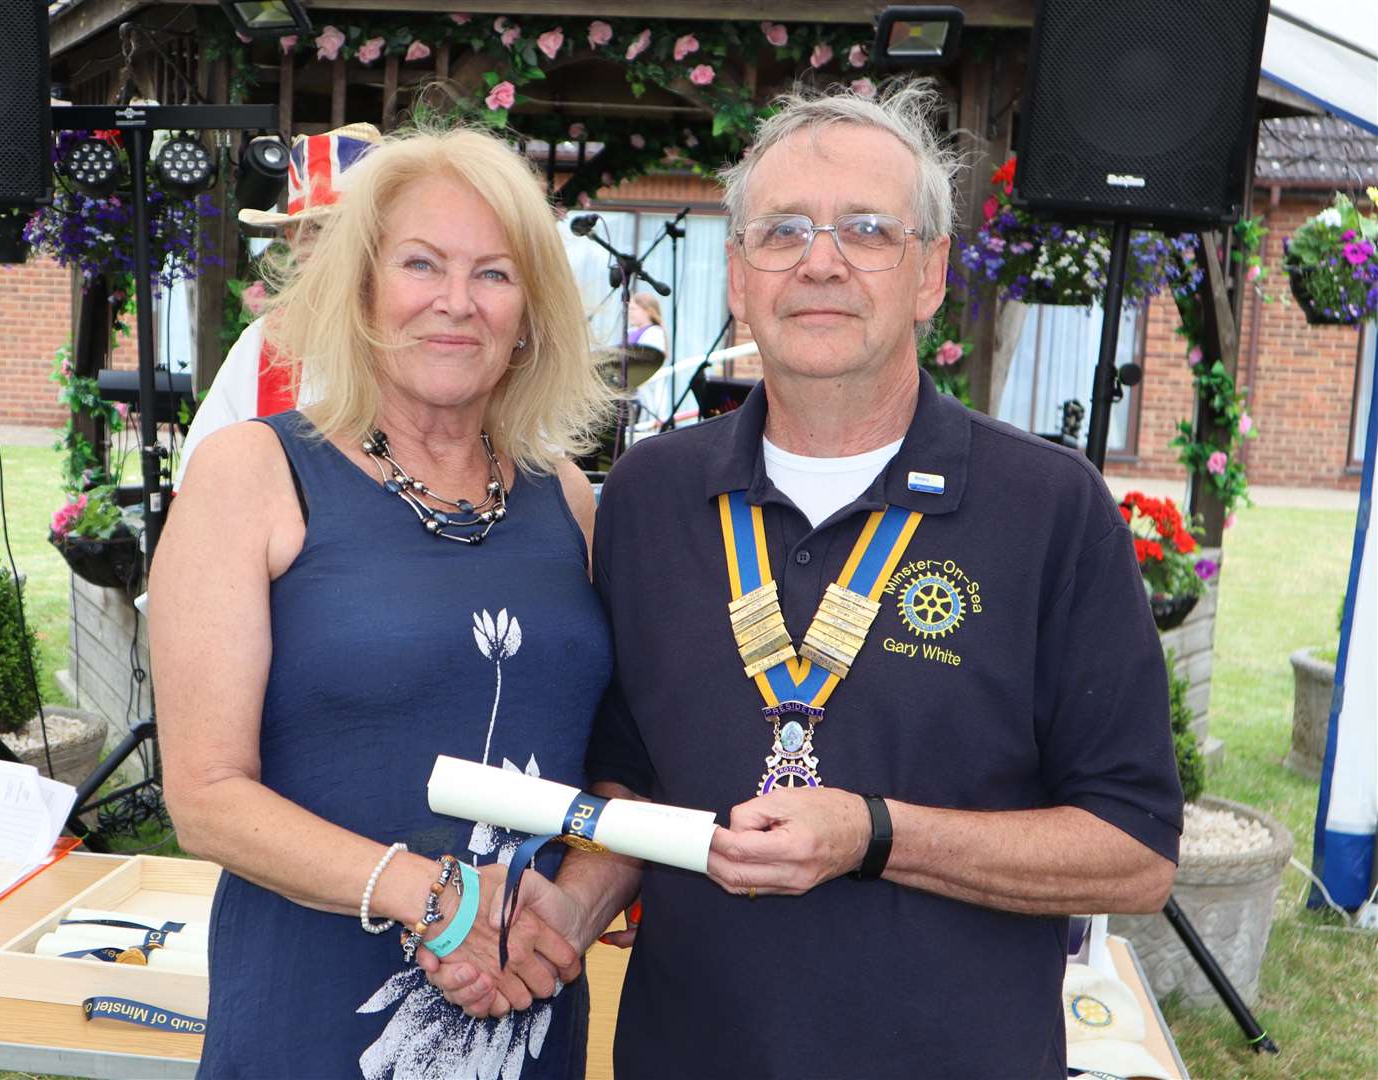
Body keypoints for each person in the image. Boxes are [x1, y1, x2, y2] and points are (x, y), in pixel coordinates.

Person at [428, 81, 1184, 1078]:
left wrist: (875, 834)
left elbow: (1133, 853)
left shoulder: (1051, 508)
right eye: (783, 231)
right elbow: (630, 779)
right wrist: (572, 904)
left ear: (928, 275)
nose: (820, 262)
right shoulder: (653, 495)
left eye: (867, 229)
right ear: (740, 276)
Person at [149, 125, 616, 1079]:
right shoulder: (255, 473)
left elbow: (622, 763)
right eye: (421, 264)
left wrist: (574, 905)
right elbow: (203, 798)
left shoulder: (569, 496)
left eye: (494, 273)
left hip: (522, 1011)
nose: (456, 302)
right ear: (360, 288)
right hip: (311, 1015)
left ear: (530, 311)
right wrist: (431, 896)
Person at [174, 122, 381, 489]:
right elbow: (202, 478)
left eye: (348, 228)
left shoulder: (422, 337)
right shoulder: (265, 344)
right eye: (315, 229)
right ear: (293, 241)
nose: (334, 248)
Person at [623, 291, 667, 357]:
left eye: (633, 309)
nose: (629, 312)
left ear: (648, 311)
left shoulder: (654, 333)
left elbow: (648, 360)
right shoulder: (631, 331)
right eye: (629, 309)